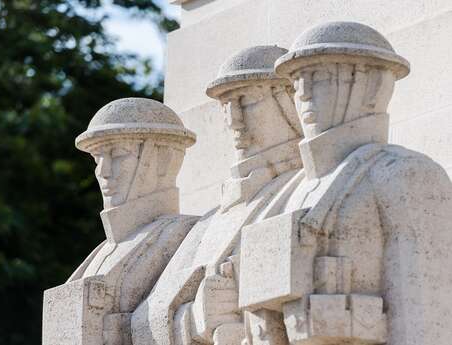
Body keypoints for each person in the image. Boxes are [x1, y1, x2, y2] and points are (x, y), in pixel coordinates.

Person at [239, 21, 452, 345]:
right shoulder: (282, 196)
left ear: (371, 86)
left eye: (320, 77)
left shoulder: (403, 174)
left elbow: (425, 312)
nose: (305, 94)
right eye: (297, 82)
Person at [131, 46, 307, 345]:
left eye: (247, 101)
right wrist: (194, 317)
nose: (235, 119)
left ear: (288, 102)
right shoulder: (208, 222)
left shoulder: (306, 190)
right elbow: (144, 321)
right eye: (226, 105)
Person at [42, 98, 198, 345]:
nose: (103, 171)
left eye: (117, 154)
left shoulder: (191, 236)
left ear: (165, 159)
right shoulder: (100, 254)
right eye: (97, 158)